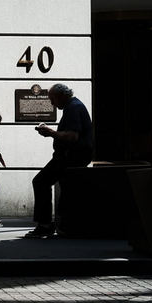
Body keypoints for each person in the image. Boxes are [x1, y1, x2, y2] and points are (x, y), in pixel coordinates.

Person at [25, 83, 93, 238]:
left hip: (70, 156)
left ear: (62, 95)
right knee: (67, 189)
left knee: (41, 182)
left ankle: (45, 224)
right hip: (72, 155)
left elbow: (72, 136)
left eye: (52, 99)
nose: (52, 103)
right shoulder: (74, 106)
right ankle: (66, 225)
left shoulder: (73, 107)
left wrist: (50, 133)